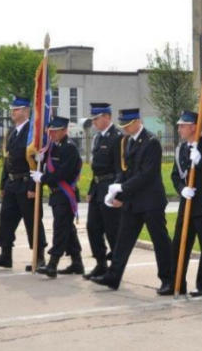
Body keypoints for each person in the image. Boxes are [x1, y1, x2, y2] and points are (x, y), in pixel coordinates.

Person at [91, 108, 173, 294]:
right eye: (124, 126)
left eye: (128, 125)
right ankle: (113, 276)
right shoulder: (127, 141)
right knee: (123, 241)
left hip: (151, 201)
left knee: (160, 242)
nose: (126, 129)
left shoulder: (151, 142)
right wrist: (116, 191)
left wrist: (122, 188)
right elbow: (124, 170)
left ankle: (168, 279)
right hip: (133, 201)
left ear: (137, 121)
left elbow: (147, 174)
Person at [0, 96, 45, 270]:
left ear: (26, 111)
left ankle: (39, 257)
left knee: (32, 221)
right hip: (12, 183)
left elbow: (38, 161)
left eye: (17, 109)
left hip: (27, 183)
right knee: (6, 220)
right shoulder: (11, 131)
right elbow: (7, 158)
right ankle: (5, 255)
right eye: (12, 108)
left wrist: (34, 187)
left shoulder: (33, 133)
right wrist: (3, 183)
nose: (13, 111)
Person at [169, 110, 202, 297]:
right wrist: (182, 189)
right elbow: (175, 175)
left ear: (193, 127)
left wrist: (200, 161)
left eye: (183, 126)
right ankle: (177, 283)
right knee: (179, 245)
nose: (179, 129)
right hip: (187, 204)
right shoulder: (180, 148)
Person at [31, 116, 83, 278]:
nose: (51, 134)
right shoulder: (53, 147)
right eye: (50, 131)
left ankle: (53, 264)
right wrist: (38, 157)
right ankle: (77, 263)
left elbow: (62, 173)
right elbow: (47, 162)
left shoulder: (69, 148)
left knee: (60, 229)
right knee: (68, 229)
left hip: (65, 195)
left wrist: (43, 178)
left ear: (64, 130)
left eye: (55, 131)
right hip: (56, 195)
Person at [82, 103, 123, 280]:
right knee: (93, 227)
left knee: (112, 229)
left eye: (96, 119)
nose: (94, 123)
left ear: (107, 117)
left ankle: (115, 268)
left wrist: (117, 194)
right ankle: (101, 264)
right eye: (93, 119)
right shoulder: (98, 138)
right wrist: (91, 189)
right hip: (98, 188)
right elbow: (96, 168)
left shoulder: (117, 138)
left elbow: (120, 170)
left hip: (110, 188)